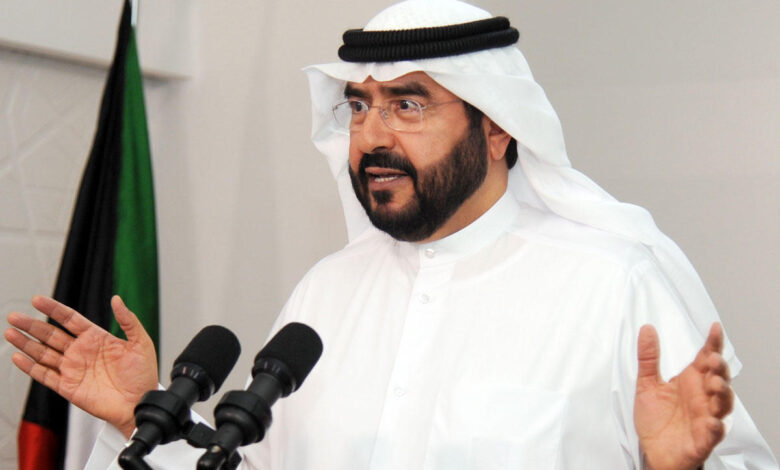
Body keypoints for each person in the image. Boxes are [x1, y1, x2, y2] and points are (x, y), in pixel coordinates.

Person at [5, 0, 777, 469]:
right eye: (359, 107)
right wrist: (140, 414)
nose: (372, 136)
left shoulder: (614, 281)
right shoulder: (328, 291)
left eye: (408, 105)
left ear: (497, 128)